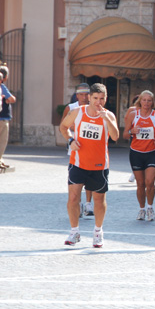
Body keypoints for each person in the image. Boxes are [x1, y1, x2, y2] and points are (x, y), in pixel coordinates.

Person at [59, 83, 119, 248]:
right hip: (78, 163)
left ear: (105, 99)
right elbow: (63, 127)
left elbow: (115, 137)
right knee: (73, 197)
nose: (98, 102)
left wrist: (107, 119)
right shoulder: (78, 112)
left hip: (99, 165)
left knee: (99, 200)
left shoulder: (109, 115)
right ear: (89, 97)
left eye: (101, 98)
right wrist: (71, 140)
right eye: (95, 98)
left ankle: (98, 231)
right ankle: (74, 231)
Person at [123, 90, 155, 221]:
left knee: (150, 182)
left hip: (152, 152)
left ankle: (150, 207)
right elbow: (124, 134)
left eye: (149, 100)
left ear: (153, 102)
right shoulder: (132, 115)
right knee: (140, 183)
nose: (146, 103)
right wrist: (131, 131)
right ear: (140, 101)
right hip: (136, 152)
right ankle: (141, 209)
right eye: (144, 100)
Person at [62, 83, 94, 216]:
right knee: (77, 176)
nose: (84, 97)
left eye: (87, 94)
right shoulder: (71, 108)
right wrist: (70, 139)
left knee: (91, 175)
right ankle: (78, 203)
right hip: (76, 147)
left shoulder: (94, 108)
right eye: (81, 94)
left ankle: (88, 203)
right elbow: (63, 126)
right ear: (77, 95)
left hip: (91, 146)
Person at [0, 66, 17, 169]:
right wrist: (8, 100)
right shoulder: (2, 86)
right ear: (5, 77)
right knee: (2, 140)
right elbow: (12, 99)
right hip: (3, 118)